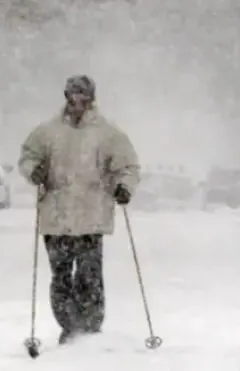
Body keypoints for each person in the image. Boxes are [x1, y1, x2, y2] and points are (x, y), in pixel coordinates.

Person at [18, 75, 140, 345]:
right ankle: (70, 328)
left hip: (91, 217)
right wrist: (33, 170)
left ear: (91, 98)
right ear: (66, 97)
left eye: (83, 97)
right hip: (56, 217)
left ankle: (90, 328)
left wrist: (124, 186)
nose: (77, 102)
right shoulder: (47, 132)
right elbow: (28, 156)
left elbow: (128, 166)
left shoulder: (108, 133)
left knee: (89, 275)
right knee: (60, 277)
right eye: (73, 96)